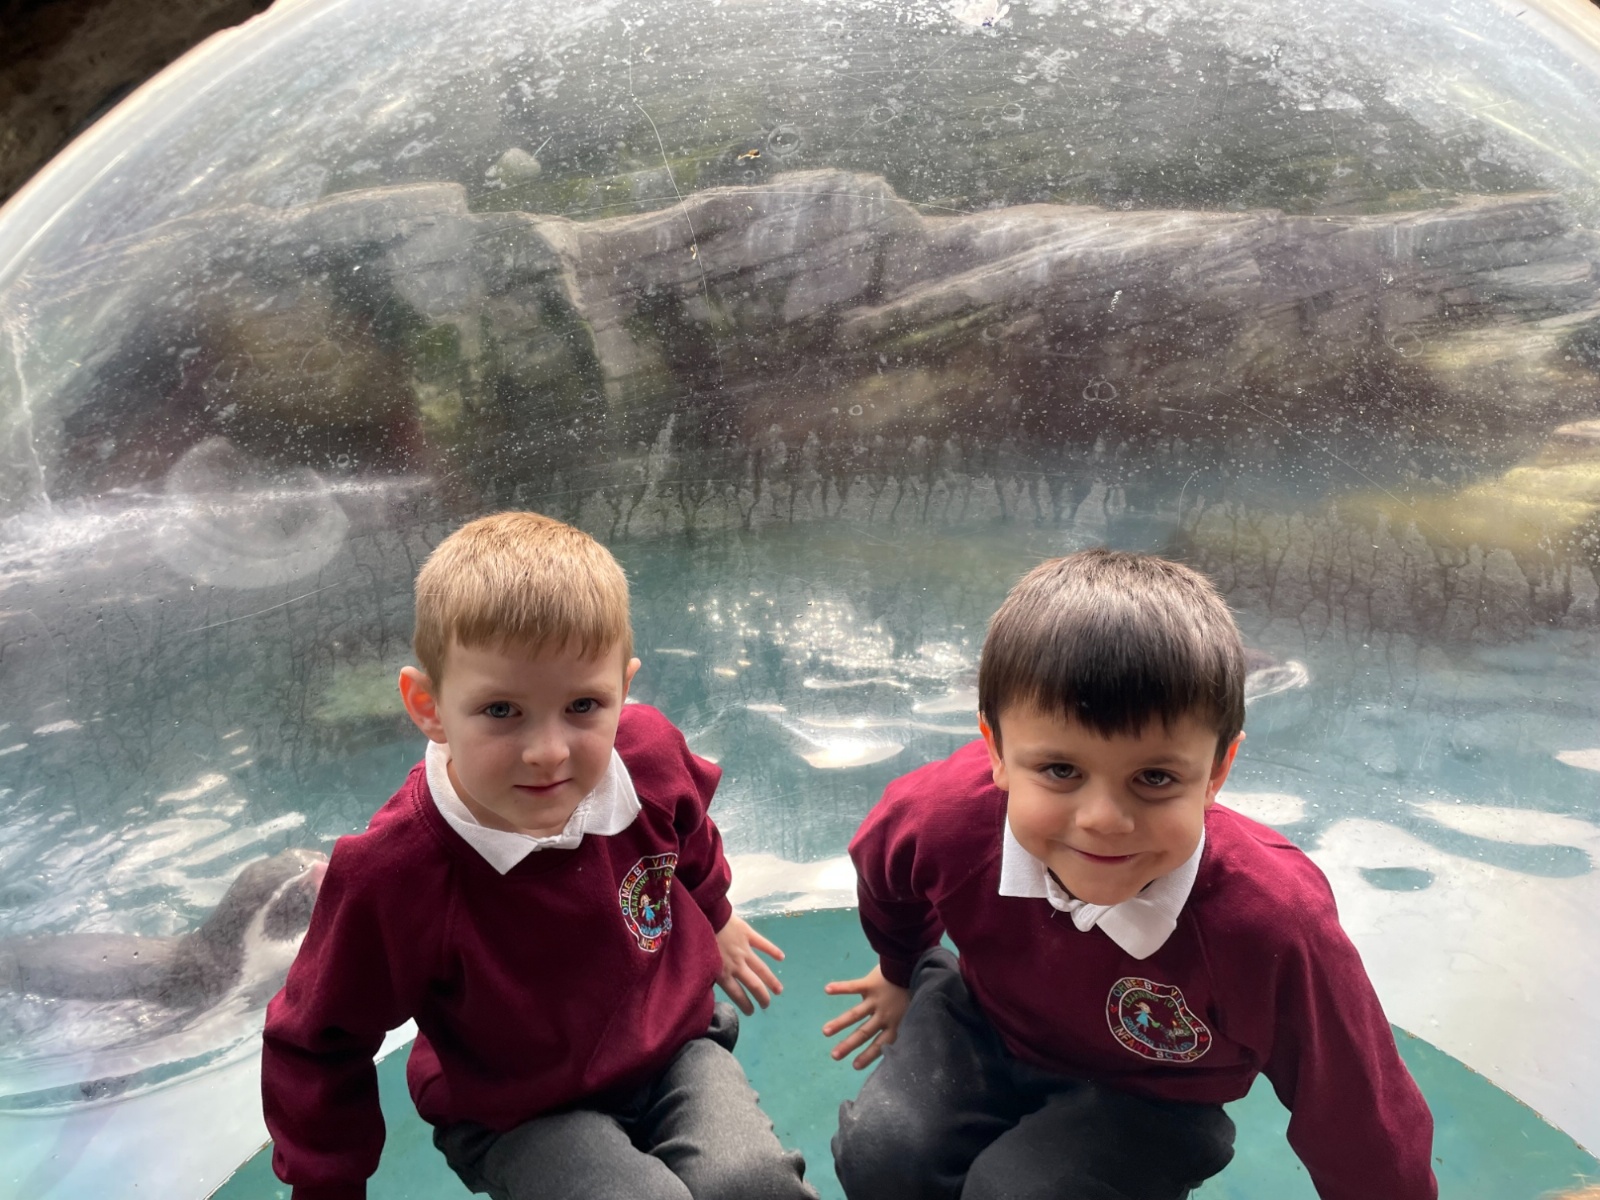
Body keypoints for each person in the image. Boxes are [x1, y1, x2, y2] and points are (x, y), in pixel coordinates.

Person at [824, 549, 1437, 1200]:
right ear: (995, 750)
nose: (1104, 820)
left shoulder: (1270, 921)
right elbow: (884, 863)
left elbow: (1351, 1102)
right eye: (1061, 770)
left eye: (1155, 777)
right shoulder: (946, 816)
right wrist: (900, 967)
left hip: (1152, 1095)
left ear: (1218, 771)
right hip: (988, 1022)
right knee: (884, 1157)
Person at [262, 511, 815, 1200]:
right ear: (428, 705)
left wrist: (715, 912)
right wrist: (327, 1186)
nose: (548, 752)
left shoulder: (645, 756)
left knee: (756, 1185)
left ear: (623, 689)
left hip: (671, 1047)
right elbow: (318, 1035)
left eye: (583, 705)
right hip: (515, 1108)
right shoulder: (396, 871)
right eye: (501, 710)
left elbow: (689, 828)